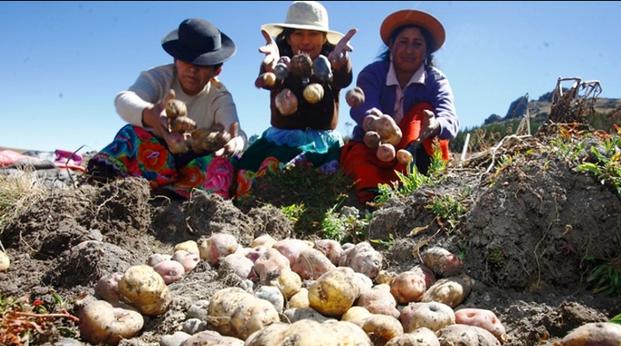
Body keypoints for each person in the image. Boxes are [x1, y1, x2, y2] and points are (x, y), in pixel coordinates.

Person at [87, 18, 246, 199]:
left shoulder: (220, 96)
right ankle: (103, 189)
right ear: (175, 60)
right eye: (186, 60)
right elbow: (124, 100)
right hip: (155, 157)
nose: (192, 69)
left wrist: (233, 143)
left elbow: (236, 132)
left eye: (201, 64)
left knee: (222, 163)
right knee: (131, 133)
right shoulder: (159, 77)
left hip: (193, 166)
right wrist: (149, 114)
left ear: (216, 71)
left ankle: (173, 200)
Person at [232, 1, 356, 198]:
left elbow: (343, 79)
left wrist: (342, 63)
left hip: (323, 145)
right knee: (257, 173)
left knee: (332, 181)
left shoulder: (331, 62)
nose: (306, 40)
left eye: (313, 34)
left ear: (324, 38)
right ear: (288, 38)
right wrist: (269, 69)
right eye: (298, 33)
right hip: (281, 141)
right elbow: (270, 81)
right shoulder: (281, 63)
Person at [340, 9, 459, 204]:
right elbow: (363, 104)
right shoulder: (372, 73)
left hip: (414, 151)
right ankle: (373, 196)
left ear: (426, 51)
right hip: (373, 147)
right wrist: (374, 120)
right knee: (356, 156)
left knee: (424, 110)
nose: (409, 50)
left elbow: (450, 119)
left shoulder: (436, 80)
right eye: (403, 42)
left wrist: (434, 125)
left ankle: (415, 182)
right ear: (391, 45)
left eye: (417, 44)